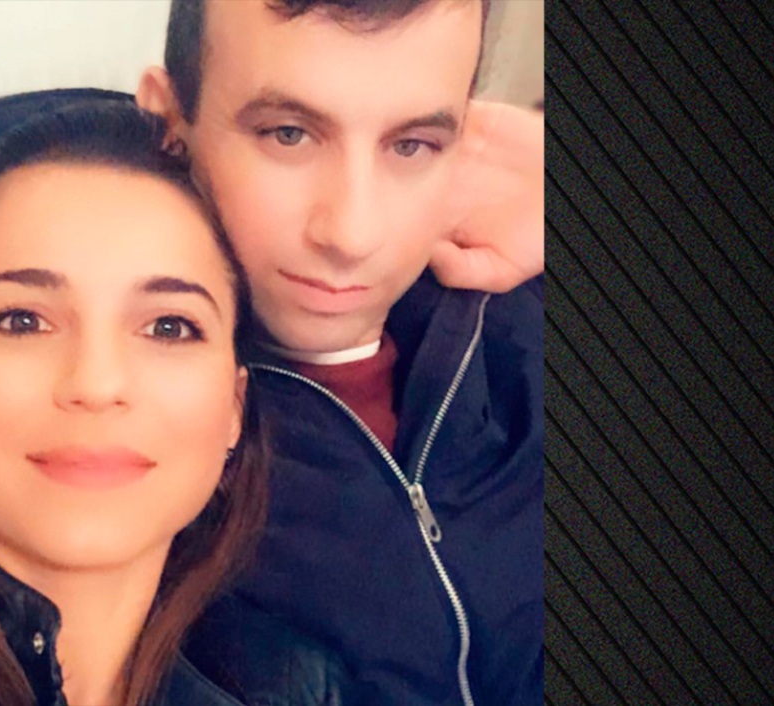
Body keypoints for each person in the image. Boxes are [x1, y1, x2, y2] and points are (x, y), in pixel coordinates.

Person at [0, 102, 351, 706]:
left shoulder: (295, 686)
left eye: (169, 327)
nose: (97, 383)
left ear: (235, 409)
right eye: (22, 320)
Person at [134, 1, 544, 704]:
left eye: (412, 145)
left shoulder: (519, 315)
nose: (352, 233)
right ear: (169, 124)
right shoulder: (108, 421)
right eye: (288, 134)